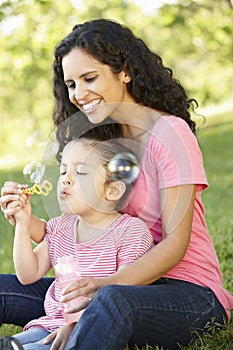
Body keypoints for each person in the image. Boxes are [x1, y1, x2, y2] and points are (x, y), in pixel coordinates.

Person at [0, 18, 232, 350]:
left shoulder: (169, 134)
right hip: (108, 279)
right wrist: (25, 220)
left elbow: (174, 245)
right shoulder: (103, 142)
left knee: (112, 302)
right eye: (71, 84)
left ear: (124, 71)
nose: (79, 94)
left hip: (187, 293)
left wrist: (98, 293)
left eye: (89, 78)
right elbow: (74, 228)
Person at [2, 136, 153, 350]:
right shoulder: (61, 227)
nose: (65, 179)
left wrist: (78, 324)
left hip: (94, 328)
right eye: (63, 171)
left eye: (80, 172)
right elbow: (28, 274)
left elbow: (124, 293)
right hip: (48, 327)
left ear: (112, 190)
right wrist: (23, 223)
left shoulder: (130, 232)